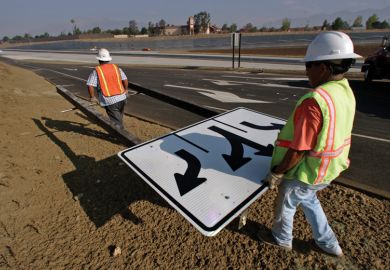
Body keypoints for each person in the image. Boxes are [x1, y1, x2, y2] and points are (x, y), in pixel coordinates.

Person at [258, 31, 362, 257]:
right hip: (331, 167)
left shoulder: (316, 101)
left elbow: (299, 148)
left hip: (308, 171)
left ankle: (281, 239)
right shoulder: (345, 91)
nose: (306, 72)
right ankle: (329, 244)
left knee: (287, 200)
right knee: (309, 199)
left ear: (323, 68)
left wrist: (278, 172)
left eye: (309, 66)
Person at [86, 48, 128, 129]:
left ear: (99, 59)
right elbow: (125, 79)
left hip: (110, 101)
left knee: (117, 123)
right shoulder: (116, 68)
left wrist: (92, 97)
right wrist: (126, 90)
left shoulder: (97, 71)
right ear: (108, 59)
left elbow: (90, 85)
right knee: (119, 117)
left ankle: (121, 137)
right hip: (122, 98)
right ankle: (121, 130)